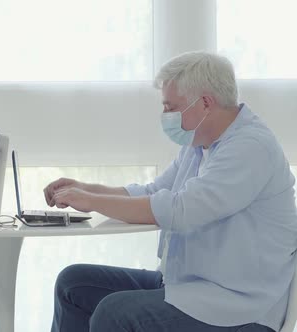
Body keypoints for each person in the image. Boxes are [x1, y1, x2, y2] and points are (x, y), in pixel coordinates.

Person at [45, 51, 297, 332]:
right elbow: (154, 191)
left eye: (170, 107)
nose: (165, 116)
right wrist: (84, 189)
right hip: (190, 286)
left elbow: (180, 210)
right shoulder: (200, 146)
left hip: (238, 304)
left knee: (114, 313)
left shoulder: (250, 147)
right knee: (73, 284)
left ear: (204, 103)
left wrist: (92, 201)